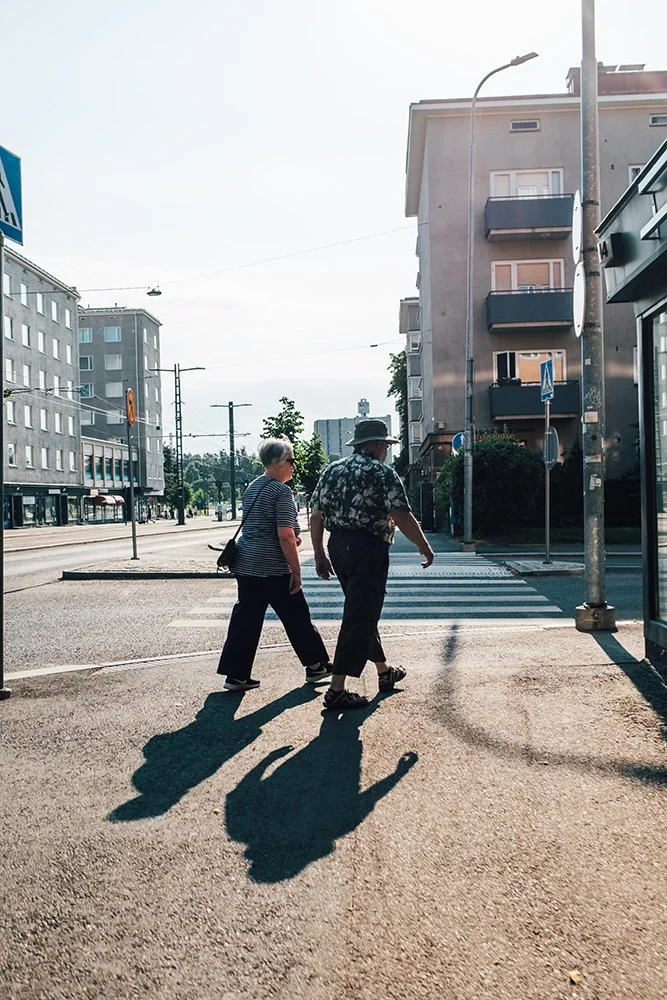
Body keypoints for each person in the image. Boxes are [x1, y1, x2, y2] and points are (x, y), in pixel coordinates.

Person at [309, 418, 435, 711]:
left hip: (338, 547)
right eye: (387, 446)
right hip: (368, 548)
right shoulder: (382, 472)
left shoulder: (332, 470)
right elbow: (401, 515)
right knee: (358, 616)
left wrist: (319, 554)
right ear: (378, 445)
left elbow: (316, 516)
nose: (387, 451)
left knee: (361, 610)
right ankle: (337, 689)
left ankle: (383, 672)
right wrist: (423, 546)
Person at [217, 436, 332, 691]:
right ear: (280, 462)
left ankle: (236, 675)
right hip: (272, 567)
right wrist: (296, 571)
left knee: (246, 618)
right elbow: (285, 535)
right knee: (297, 615)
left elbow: (265, 527)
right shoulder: (281, 491)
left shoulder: (253, 487)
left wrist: (291, 536)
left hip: (247, 564)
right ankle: (316, 665)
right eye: (291, 461)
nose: (294, 466)